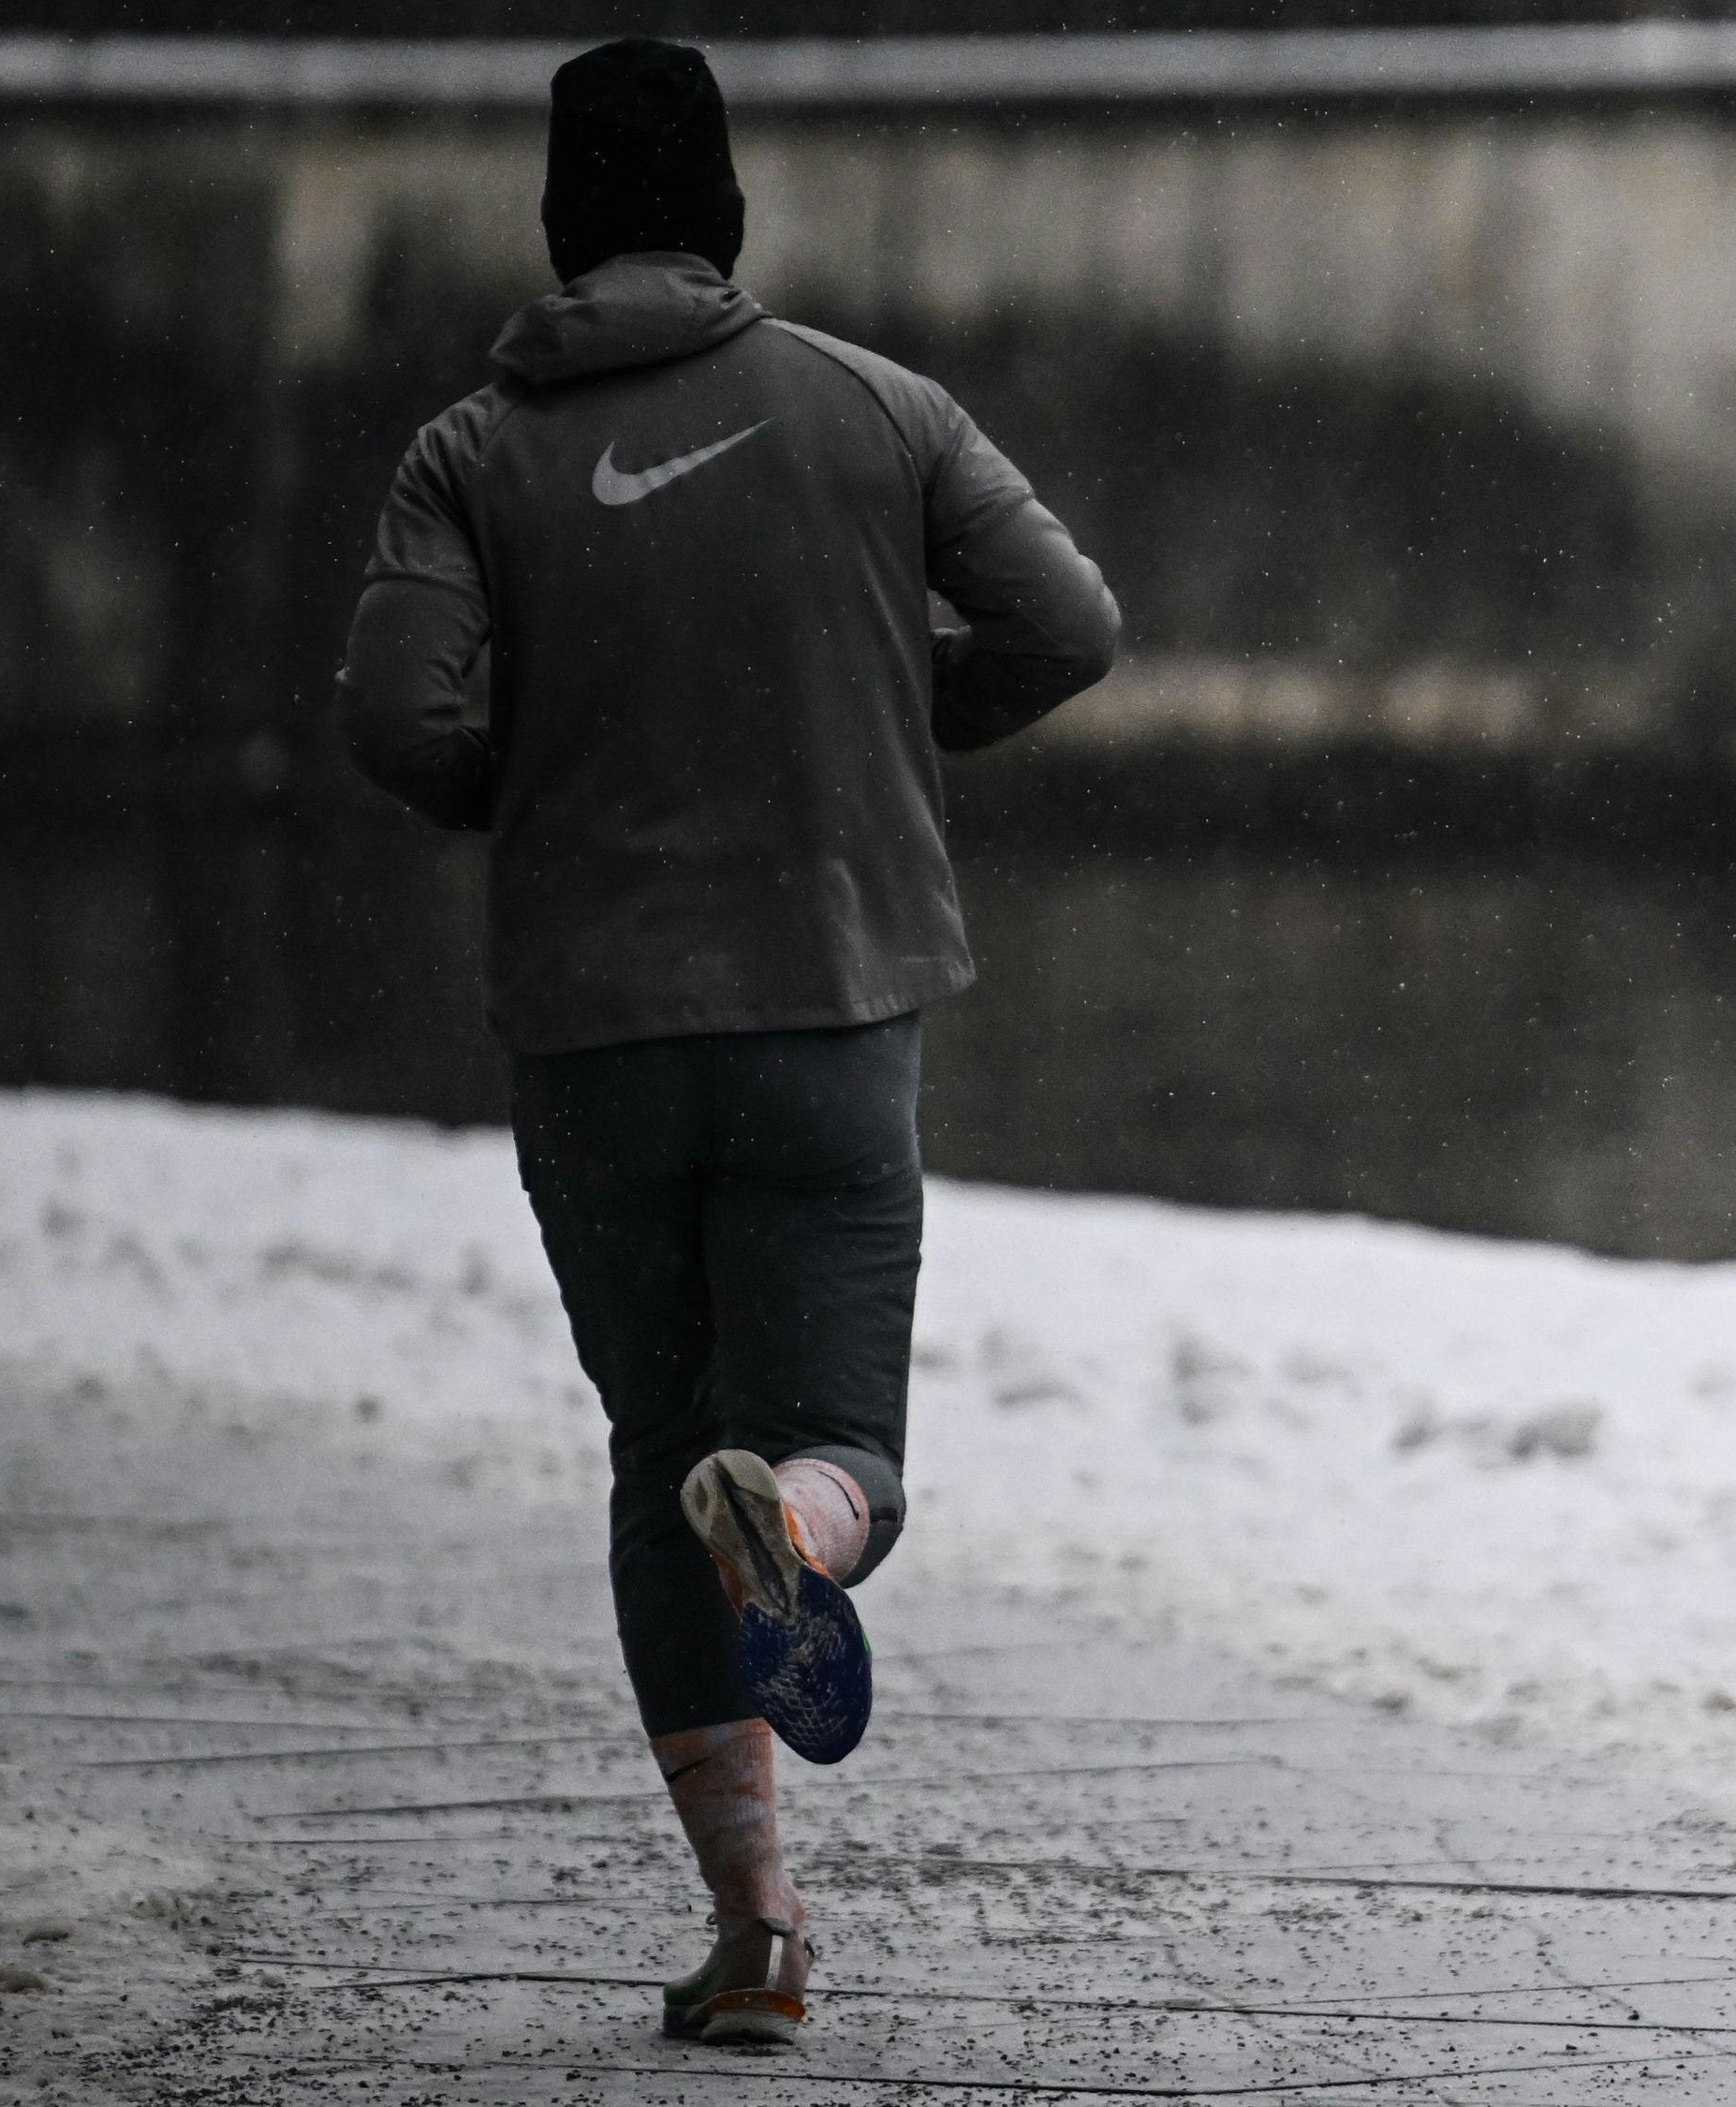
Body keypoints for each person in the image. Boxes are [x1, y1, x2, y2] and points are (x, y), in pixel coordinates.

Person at [331, 37, 1119, 2047]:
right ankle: (817, 1526)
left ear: (556, 225)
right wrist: (870, 714)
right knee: (838, 1441)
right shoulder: (876, 408)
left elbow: (404, 722)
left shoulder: (467, 453)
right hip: (831, 1001)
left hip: (595, 1032)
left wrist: (571, 760)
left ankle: (756, 1928)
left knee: (657, 1448)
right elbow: (1066, 623)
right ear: (731, 219)